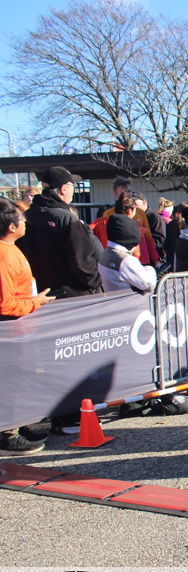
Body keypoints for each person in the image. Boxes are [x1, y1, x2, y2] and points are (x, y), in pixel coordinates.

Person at [0, 199, 56, 455]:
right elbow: (5, 303)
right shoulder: (3, 254)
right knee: (11, 383)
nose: (26, 223)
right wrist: (36, 302)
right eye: (22, 220)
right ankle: (7, 435)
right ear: (11, 226)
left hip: (20, 326)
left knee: (19, 381)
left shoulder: (11, 248)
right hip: (11, 328)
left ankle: (16, 426)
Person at [18, 166, 102, 301]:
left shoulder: (26, 217)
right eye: (72, 185)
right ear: (64, 188)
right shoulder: (67, 219)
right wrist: (96, 285)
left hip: (40, 294)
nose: (73, 190)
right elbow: (82, 263)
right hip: (74, 296)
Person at [97, 214, 157, 294]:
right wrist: (150, 268)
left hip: (113, 298)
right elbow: (149, 285)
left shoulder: (105, 253)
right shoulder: (125, 260)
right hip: (130, 300)